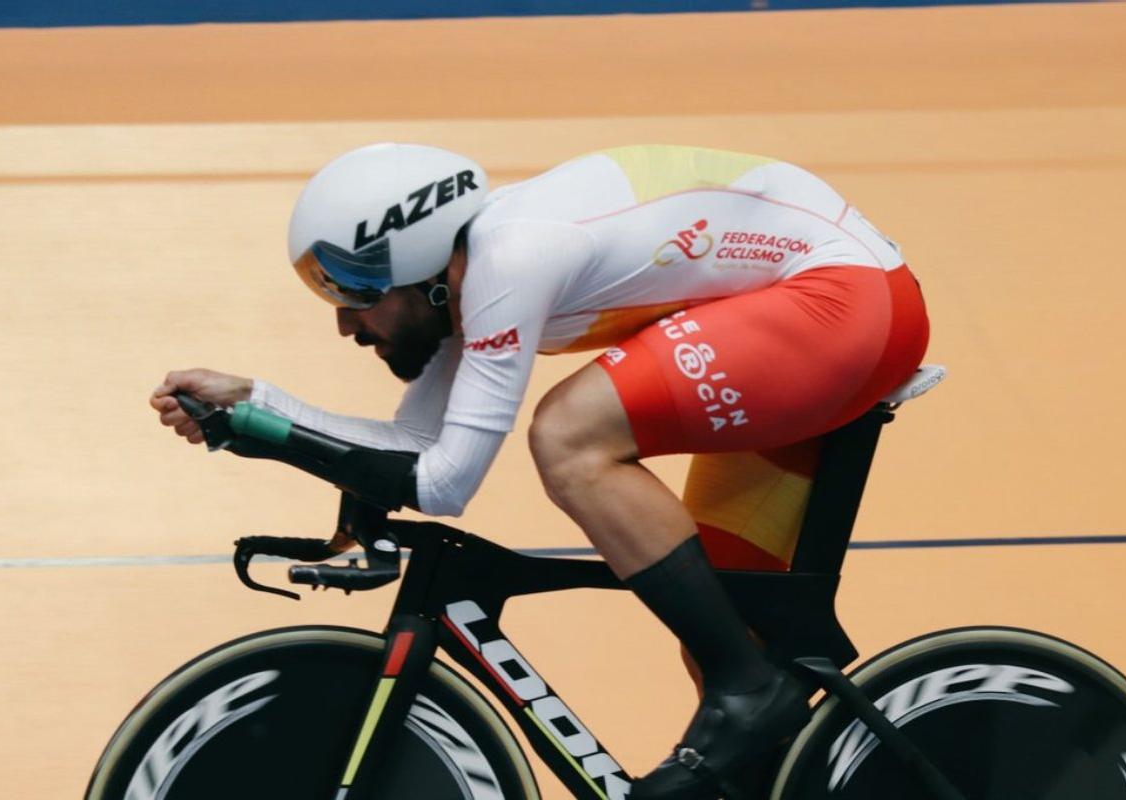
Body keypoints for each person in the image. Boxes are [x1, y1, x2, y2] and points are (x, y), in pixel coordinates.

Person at [150, 143, 930, 798]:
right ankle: (755, 697)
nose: (346, 323)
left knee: (568, 435)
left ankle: (749, 691)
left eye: (356, 290)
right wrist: (256, 400)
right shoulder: (459, 283)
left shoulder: (511, 256)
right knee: (728, 626)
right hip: (812, 310)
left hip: (845, 301)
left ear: (424, 267)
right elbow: (413, 445)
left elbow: (444, 483)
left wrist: (270, 432)